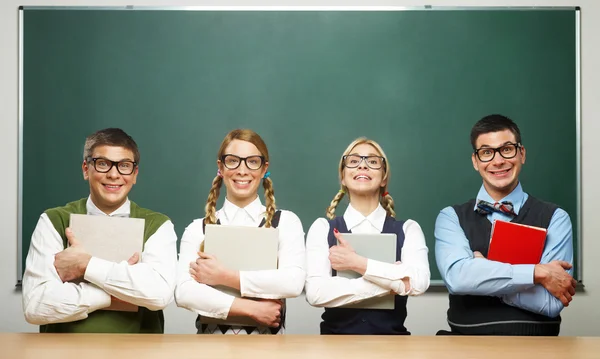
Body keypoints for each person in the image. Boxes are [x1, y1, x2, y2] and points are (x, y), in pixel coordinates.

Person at [22, 128, 177, 333]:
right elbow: (36, 306)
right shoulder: (53, 220)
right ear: (86, 169)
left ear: (134, 174)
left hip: (137, 351)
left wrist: (85, 266)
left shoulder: (158, 225)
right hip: (63, 351)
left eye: (124, 166)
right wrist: (119, 290)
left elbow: (158, 295)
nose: (113, 175)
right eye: (103, 164)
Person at [435, 114, 576, 336]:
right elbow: (458, 279)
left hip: (538, 349)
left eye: (507, 149)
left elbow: (551, 302)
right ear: (475, 161)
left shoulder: (556, 218)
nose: (498, 161)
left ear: (522, 154)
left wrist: (483, 278)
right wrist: (536, 273)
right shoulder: (451, 217)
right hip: (466, 348)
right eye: (486, 152)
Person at [175, 129, 306, 335]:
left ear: (264, 169)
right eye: (233, 161)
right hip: (208, 349)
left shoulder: (285, 223)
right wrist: (252, 309)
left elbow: (292, 282)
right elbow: (184, 293)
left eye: (252, 162)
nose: (242, 170)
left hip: (270, 350)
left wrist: (224, 276)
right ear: (220, 167)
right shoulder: (198, 229)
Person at [305, 137, 430, 334]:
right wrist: (393, 283)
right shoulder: (322, 228)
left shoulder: (408, 229)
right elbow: (316, 294)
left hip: (393, 348)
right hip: (334, 348)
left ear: (384, 178)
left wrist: (357, 263)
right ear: (343, 177)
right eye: (354, 161)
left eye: (372, 162)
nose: (362, 166)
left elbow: (419, 283)